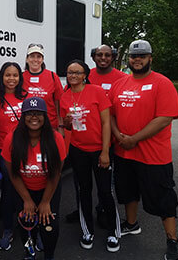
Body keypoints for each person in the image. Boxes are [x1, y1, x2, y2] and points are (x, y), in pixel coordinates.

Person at [109, 40, 178, 260]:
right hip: (124, 152)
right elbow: (110, 114)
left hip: (154, 156)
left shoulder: (162, 83)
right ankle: (132, 224)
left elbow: (164, 117)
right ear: (128, 59)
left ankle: (172, 241)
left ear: (151, 58)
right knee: (128, 192)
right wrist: (118, 135)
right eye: (134, 56)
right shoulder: (120, 84)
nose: (137, 60)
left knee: (163, 199)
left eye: (142, 56)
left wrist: (134, 139)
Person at [60, 59, 121, 253]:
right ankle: (87, 231)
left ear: (85, 75)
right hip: (78, 150)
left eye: (77, 72)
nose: (73, 76)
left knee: (105, 191)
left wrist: (105, 152)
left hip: (99, 150)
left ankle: (113, 232)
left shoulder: (96, 92)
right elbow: (68, 126)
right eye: (70, 72)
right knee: (83, 191)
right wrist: (68, 123)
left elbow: (105, 123)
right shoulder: (65, 97)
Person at [66, 45, 127, 224]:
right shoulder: (85, 74)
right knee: (82, 183)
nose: (103, 58)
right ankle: (82, 211)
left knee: (104, 185)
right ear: (93, 57)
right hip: (84, 139)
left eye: (107, 55)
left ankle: (102, 210)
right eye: (99, 55)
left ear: (113, 57)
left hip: (110, 137)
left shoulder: (122, 78)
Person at [1, 97, 66, 260]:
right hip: (23, 188)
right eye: (29, 113)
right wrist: (27, 200)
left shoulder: (56, 138)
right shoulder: (12, 138)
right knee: (27, 224)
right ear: (23, 116)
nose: (34, 117)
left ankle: (49, 256)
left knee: (49, 224)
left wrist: (45, 202)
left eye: (38, 113)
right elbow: (13, 174)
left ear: (45, 116)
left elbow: (55, 174)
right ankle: (29, 254)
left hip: (48, 188)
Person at [0, 62, 27, 251]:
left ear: (20, 77)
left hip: (28, 153)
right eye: (7, 75)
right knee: (9, 194)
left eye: (15, 75)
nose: (11, 79)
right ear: (2, 77)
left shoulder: (27, 97)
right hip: (6, 154)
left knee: (29, 191)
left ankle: (31, 228)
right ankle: (8, 230)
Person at [0, 43, 64, 132]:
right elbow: (7, 90)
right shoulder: (21, 77)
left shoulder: (52, 76)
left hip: (50, 126)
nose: (35, 60)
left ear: (42, 59)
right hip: (29, 127)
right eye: (32, 56)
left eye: (38, 57)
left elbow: (58, 103)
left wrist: (60, 125)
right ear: (27, 59)